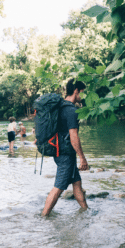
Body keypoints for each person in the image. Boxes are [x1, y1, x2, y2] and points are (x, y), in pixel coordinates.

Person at [42, 79, 89, 216]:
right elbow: (73, 136)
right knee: (58, 188)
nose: (83, 96)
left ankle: (86, 212)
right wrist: (82, 158)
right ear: (76, 91)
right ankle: (43, 217)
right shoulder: (70, 110)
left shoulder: (60, 106)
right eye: (82, 93)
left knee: (77, 183)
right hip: (65, 155)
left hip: (61, 151)